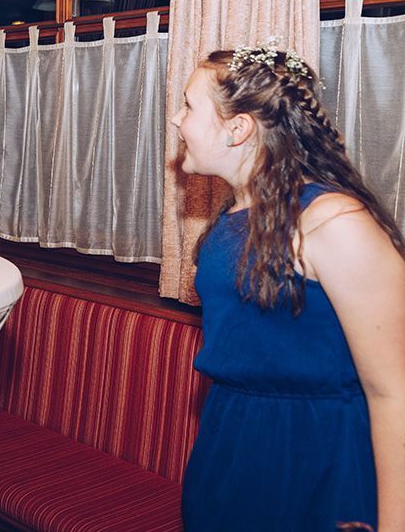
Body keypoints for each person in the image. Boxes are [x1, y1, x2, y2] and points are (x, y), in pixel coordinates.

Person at [171, 42, 405, 531]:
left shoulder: (335, 222)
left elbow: (394, 392)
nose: (177, 119)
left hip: (316, 460)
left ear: (238, 128)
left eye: (189, 106)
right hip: (232, 445)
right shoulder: (235, 214)